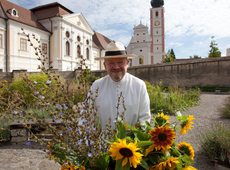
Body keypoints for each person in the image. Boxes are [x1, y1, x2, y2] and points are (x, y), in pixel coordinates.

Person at [90, 42, 151, 129]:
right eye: (111, 63)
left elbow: (145, 119)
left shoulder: (139, 86)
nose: (116, 67)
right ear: (105, 65)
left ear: (127, 63)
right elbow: (87, 116)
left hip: (131, 141)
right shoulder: (96, 86)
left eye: (120, 62)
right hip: (103, 141)